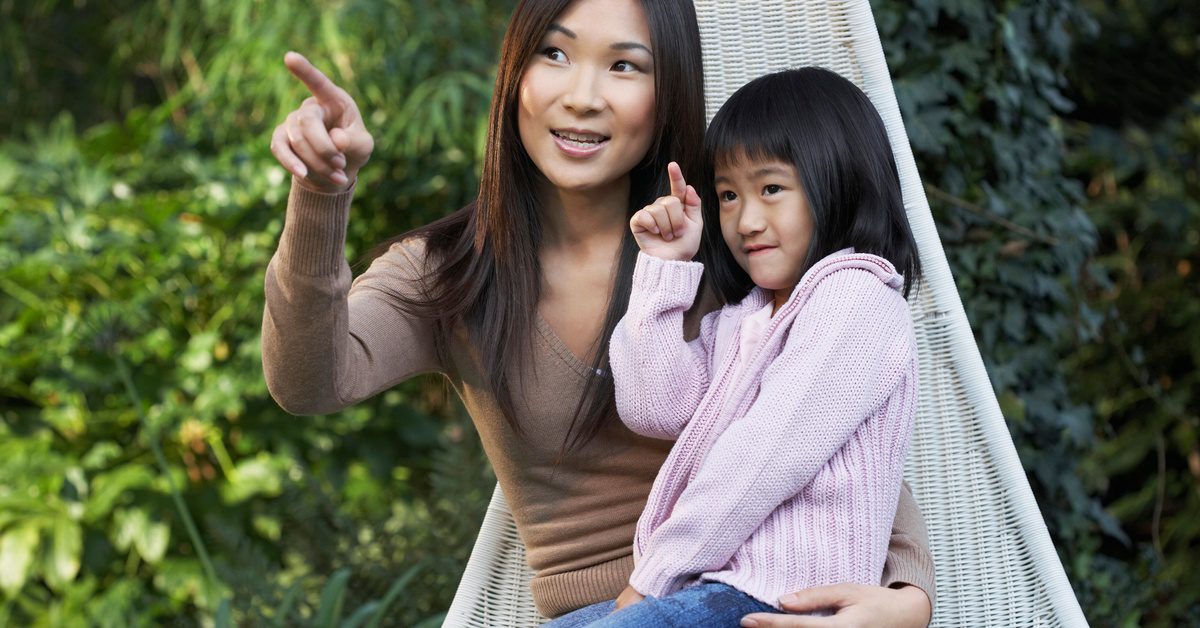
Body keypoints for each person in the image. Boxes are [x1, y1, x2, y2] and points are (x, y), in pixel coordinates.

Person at [262, 0, 935, 624]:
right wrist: (319, 199)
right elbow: (306, 382)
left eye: (623, 66)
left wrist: (909, 599)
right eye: (554, 55)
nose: (581, 97)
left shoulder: (735, 238)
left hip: (755, 597)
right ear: (514, 77)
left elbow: (824, 428)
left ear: (665, 91)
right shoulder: (449, 272)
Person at [544, 66, 922, 627]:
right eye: (727, 195)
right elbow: (654, 408)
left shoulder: (856, 298)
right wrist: (661, 271)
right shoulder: (744, 320)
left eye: (771, 189)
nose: (745, 220)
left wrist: (651, 580)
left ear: (839, 179)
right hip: (710, 589)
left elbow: (762, 458)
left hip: (780, 599)